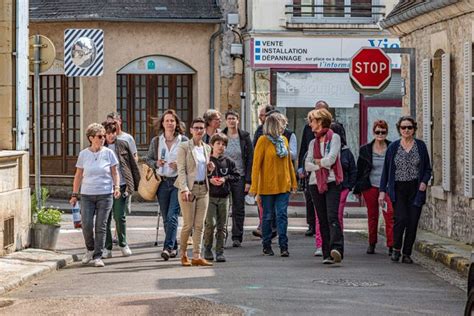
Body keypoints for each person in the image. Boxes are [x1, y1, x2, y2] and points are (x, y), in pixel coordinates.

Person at [379, 116, 432, 264]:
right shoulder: (393, 147)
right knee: (401, 219)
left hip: (415, 188)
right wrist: (382, 191)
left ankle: (407, 253)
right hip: (398, 188)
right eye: (404, 128)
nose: (407, 130)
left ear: (414, 129)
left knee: (413, 222)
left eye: (409, 127)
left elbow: (427, 168)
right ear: (399, 130)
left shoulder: (420, 146)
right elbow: (386, 171)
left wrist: (424, 182)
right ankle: (396, 249)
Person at [69, 123, 121, 267]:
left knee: (101, 226)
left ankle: (98, 255)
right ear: (91, 138)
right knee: (86, 224)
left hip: (105, 194)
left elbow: (114, 172)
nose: (103, 138)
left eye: (104, 136)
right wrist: (75, 194)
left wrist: (116, 187)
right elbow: (78, 175)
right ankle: (90, 249)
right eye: (100, 136)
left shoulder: (109, 153)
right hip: (87, 194)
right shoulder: (84, 154)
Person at [249, 114, 297, 257]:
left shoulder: (284, 140)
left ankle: (284, 246)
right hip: (267, 187)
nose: (284, 127)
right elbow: (256, 165)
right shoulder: (262, 141)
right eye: (282, 124)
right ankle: (267, 245)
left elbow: (289, 164)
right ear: (275, 125)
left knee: (282, 215)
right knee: (268, 216)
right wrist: (254, 188)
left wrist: (293, 183)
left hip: (283, 185)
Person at [144, 110, 188, 261]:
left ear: (176, 124)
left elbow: (190, 161)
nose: (170, 123)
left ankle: (167, 248)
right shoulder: (156, 141)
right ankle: (174, 246)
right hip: (162, 182)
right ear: (162, 123)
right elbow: (148, 159)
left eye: (172, 121)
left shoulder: (183, 141)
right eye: (167, 120)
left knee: (172, 215)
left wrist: (180, 164)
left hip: (177, 181)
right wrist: (156, 163)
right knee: (165, 217)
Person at [175, 117, 216, 267]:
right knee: (188, 225)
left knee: (200, 225)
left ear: (205, 130)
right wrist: (184, 188)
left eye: (201, 128)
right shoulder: (184, 147)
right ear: (191, 130)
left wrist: (209, 168)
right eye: (196, 128)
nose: (199, 131)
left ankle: (197, 255)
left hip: (203, 188)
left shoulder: (207, 147)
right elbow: (181, 170)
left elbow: (203, 170)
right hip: (189, 189)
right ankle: (183, 254)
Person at [305, 109, 344, 264]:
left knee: (332, 216)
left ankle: (337, 249)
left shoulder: (334, 138)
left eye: (312, 121)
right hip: (315, 183)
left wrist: (317, 162)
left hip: (332, 182)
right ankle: (327, 254)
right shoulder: (312, 142)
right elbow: (307, 165)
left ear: (320, 121)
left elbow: (331, 159)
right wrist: (320, 164)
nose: (310, 124)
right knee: (321, 219)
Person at [353, 120, 394, 255]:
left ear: (386, 133)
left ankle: (391, 245)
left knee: (389, 215)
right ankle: (372, 243)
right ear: (373, 132)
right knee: (372, 215)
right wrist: (358, 188)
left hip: (387, 187)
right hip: (370, 186)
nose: (380, 134)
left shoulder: (392, 148)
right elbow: (360, 170)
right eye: (378, 132)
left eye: (383, 132)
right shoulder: (365, 149)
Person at [102, 122, 140, 259]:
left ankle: (123, 244)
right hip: (105, 187)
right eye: (108, 133)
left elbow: (132, 164)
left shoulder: (123, 144)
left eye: (113, 132)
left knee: (119, 216)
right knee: (105, 218)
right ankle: (107, 247)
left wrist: (134, 183)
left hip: (122, 184)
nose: (111, 135)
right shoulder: (100, 147)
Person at [203, 133, 239, 262]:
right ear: (212, 145)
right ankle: (207, 248)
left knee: (222, 226)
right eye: (218, 143)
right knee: (210, 224)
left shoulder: (228, 162)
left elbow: (236, 176)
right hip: (210, 197)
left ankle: (220, 251)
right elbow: (200, 176)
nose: (221, 147)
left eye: (223, 144)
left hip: (224, 197)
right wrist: (209, 179)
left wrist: (225, 178)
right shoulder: (207, 161)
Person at [222, 110, 254, 247]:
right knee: (221, 207)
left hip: (239, 176)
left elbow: (250, 159)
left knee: (238, 208)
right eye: (229, 118)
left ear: (238, 120)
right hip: (223, 176)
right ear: (226, 121)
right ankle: (220, 235)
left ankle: (237, 236)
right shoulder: (221, 136)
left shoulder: (244, 137)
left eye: (233, 118)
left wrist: (248, 180)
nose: (231, 121)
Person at [298, 100, 330, 237]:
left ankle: (323, 226)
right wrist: (301, 167)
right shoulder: (308, 128)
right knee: (310, 197)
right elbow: (304, 148)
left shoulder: (333, 129)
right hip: (311, 167)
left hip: (327, 169)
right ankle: (311, 224)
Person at [330, 122, 357, 232]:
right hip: (329, 187)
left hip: (342, 187)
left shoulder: (346, 152)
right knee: (330, 214)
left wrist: (349, 186)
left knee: (338, 213)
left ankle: (338, 237)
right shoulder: (324, 149)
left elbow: (353, 170)